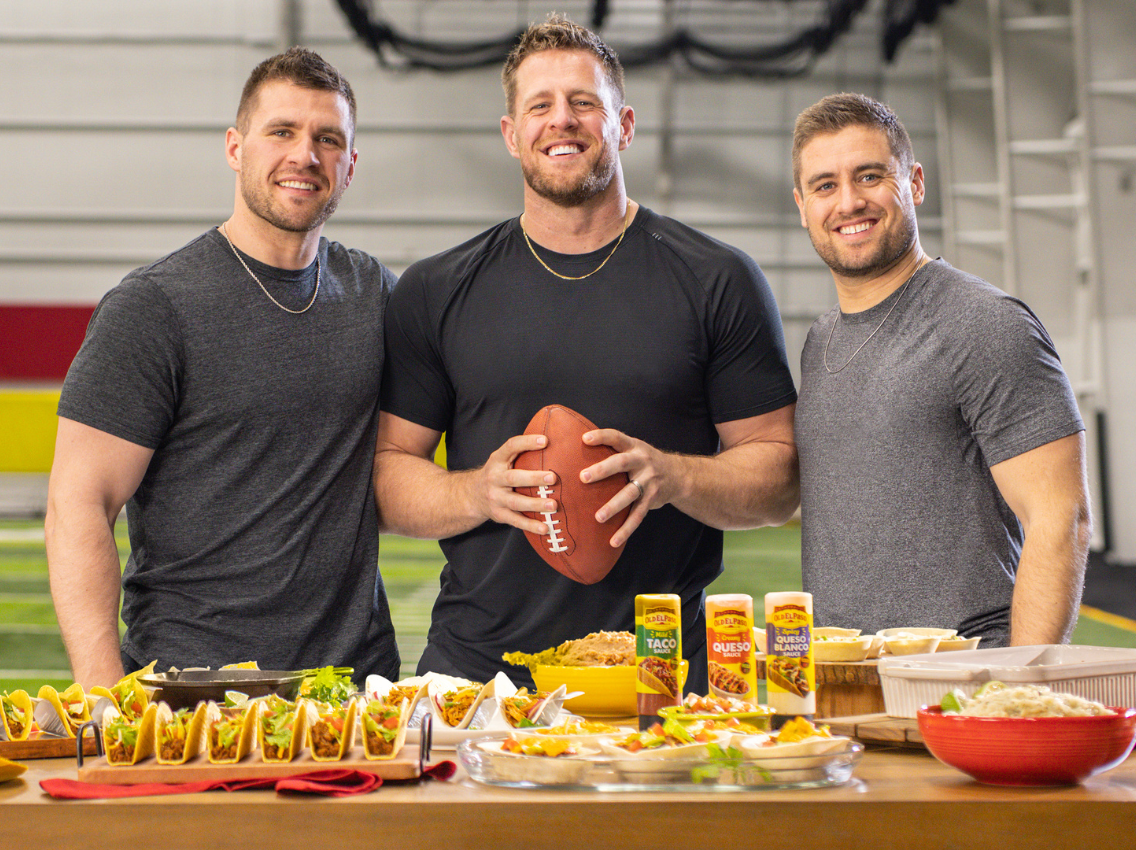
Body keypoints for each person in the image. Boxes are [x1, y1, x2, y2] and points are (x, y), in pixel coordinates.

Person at [375, 14, 799, 690]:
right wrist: (478, 492)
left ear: (623, 125)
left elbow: (780, 477)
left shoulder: (716, 278)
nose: (561, 120)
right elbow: (388, 476)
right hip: (482, 677)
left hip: (662, 677)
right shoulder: (437, 288)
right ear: (513, 135)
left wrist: (674, 478)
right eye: (539, 105)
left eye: (583, 103)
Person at [45, 48, 400, 687]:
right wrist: (104, 698)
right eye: (282, 132)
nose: (305, 155)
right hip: (193, 688)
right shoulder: (153, 307)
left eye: (328, 139)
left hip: (351, 689)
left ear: (350, 165)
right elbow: (78, 504)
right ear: (236, 148)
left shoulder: (375, 293)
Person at [791, 92, 1092, 646]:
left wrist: (1012, 692)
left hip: (962, 684)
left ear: (915, 183)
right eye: (825, 185)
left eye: (870, 175)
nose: (849, 202)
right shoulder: (821, 339)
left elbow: (1061, 520)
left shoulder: (983, 323)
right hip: (846, 688)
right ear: (802, 204)